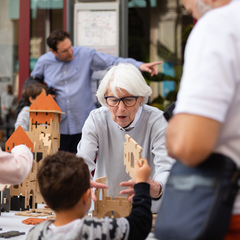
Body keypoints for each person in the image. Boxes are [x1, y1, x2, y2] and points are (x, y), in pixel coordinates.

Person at [165, 0, 240, 239]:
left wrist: (175, 125)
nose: (187, 9)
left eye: (186, 4)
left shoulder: (219, 26)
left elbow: (189, 145)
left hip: (224, 215)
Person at [29, 29, 162, 153]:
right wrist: (44, 93)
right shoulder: (44, 62)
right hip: (57, 125)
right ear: (53, 51)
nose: (70, 52)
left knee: (82, 164)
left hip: (82, 122)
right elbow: (33, 83)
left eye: (70, 47)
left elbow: (113, 61)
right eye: (65, 51)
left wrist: (139, 65)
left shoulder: (85, 55)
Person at [76, 63, 175, 213]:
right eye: (114, 100)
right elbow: (83, 159)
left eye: (128, 100)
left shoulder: (157, 120)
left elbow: (166, 168)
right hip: (104, 208)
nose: (121, 109)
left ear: (141, 98)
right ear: (105, 99)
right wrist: (81, 180)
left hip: (146, 209)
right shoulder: (96, 119)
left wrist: (155, 187)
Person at [26, 151, 152, 240]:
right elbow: (140, 224)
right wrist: (141, 184)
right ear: (86, 196)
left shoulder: (35, 233)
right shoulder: (98, 230)